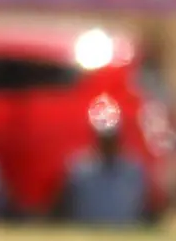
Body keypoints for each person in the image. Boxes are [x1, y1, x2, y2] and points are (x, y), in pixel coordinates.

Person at [60, 96, 149, 227]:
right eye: (104, 138)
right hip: (86, 238)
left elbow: (143, 211)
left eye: (111, 137)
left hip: (126, 239)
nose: (107, 143)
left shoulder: (134, 171)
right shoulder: (78, 170)